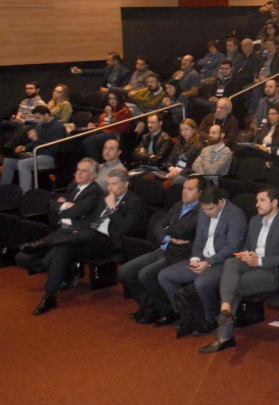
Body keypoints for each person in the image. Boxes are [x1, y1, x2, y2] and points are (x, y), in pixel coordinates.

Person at [22, 169, 144, 315]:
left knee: (88, 234)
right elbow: (90, 220)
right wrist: (77, 229)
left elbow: (126, 229)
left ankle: (44, 244)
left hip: (110, 243)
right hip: (89, 238)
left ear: (126, 184)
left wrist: (113, 208)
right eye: (108, 184)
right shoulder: (105, 197)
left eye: (114, 184)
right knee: (63, 248)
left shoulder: (134, 202)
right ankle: (49, 296)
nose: (110, 188)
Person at [199, 189, 279, 354]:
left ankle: (224, 335)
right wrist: (244, 254)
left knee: (233, 285)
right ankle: (226, 308)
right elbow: (247, 246)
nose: (257, 204)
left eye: (262, 200)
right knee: (231, 262)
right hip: (252, 264)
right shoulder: (255, 220)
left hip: (272, 272)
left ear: (274, 203)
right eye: (257, 200)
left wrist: (258, 261)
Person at [157, 187, 247, 337]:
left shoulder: (235, 215)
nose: (206, 213)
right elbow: (198, 240)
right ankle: (185, 315)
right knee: (165, 276)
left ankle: (210, 319)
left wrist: (209, 262)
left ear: (220, 203)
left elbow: (233, 247)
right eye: (204, 209)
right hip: (202, 259)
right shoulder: (204, 211)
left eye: (210, 209)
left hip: (221, 262)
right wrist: (195, 258)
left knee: (202, 283)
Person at [118, 176, 203, 325]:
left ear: (200, 193)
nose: (184, 191)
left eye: (190, 189)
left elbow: (181, 231)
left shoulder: (201, 211)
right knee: (125, 271)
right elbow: (158, 225)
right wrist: (167, 237)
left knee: (146, 274)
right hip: (163, 248)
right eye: (184, 187)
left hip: (178, 253)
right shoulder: (178, 205)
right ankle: (150, 306)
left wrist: (168, 230)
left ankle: (168, 310)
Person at [1, 106, 67, 192]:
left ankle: (25, 193)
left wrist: (36, 139)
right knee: (8, 162)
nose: (36, 120)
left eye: (38, 118)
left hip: (50, 158)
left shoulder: (59, 128)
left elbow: (54, 149)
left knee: (23, 164)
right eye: (35, 118)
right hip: (36, 154)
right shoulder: (40, 126)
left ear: (46, 115)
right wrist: (25, 147)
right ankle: (4, 191)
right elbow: (34, 143)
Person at [82, 91, 133, 161]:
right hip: (104, 132)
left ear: (119, 99)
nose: (112, 101)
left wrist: (109, 114)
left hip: (116, 135)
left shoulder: (125, 111)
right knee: (80, 139)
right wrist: (94, 125)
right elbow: (105, 123)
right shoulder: (111, 110)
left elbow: (118, 127)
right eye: (110, 98)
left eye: (114, 98)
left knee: (89, 142)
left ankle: (94, 164)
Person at [162, 119, 203, 183]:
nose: (183, 132)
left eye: (186, 129)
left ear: (194, 130)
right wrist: (172, 169)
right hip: (172, 172)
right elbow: (169, 160)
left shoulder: (198, 146)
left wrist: (179, 171)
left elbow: (195, 168)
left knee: (169, 182)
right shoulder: (178, 143)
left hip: (186, 175)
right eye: (181, 130)